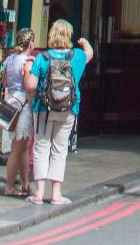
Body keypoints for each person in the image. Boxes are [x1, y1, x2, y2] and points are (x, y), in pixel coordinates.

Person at [24, 18, 93, 205]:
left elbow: (31, 86)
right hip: (68, 109)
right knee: (60, 149)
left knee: (41, 148)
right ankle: (56, 194)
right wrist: (84, 42)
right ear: (68, 35)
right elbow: (90, 53)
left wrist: (29, 70)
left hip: (43, 109)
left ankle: (39, 193)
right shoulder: (77, 56)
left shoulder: (43, 57)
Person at [1, 27, 35, 197]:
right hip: (23, 106)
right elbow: (29, 86)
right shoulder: (27, 62)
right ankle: (9, 186)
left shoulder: (10, 59)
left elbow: (5, 83)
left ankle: (26, 183)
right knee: (17, 148)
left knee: (23, 147)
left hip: (11, 104)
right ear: (31, 44)